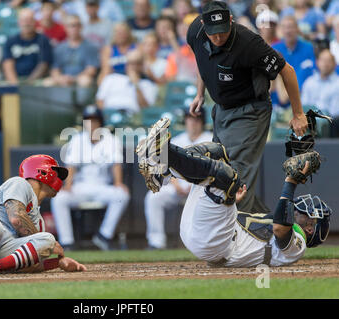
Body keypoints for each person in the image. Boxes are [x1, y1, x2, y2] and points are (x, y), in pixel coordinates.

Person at [137, 117, 331, 267]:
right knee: (217, 152)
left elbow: (281, 228)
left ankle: (162, 154)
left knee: (229, 179)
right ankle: (160, 170)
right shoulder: (287, 230)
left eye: (311, 216)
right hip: (205, 234)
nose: (306, 210)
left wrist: (291, 182)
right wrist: (232, 203)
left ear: (310, 229)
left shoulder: (299, 244)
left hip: (216, 244)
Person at [187, 1, 308, 214]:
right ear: (203, 25)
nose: (217, 38)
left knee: (236, 176)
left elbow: (287, 70)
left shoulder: (249, 43)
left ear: (231, 22)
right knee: (222, 174)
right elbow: (203, 61)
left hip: (251, 111)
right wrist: (199, 93)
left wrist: (298, 114)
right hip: (222, 110)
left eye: (222, 32)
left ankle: (240, 237)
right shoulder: (195, 31)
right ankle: (271, 230)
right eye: (213, 33)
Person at [51, 106, 130, 250]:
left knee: (122, 194)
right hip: (81, 186)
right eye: (88, 121)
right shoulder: (77, 139)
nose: (91, 124)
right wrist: (68, 185)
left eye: (94, 121)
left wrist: (118, 183)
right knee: (59, 198)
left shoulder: (111, 140)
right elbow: (71, 165)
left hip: (102, 186)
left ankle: (103, 236)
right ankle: (67, 242)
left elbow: (116, 164)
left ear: (101, 122)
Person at [144, 108, 213, 249]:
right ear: (185, 120)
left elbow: (214, 169)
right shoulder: (176, 140)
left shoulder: (210, 140)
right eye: (190, 118)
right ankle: (156, 242)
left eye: (196, 119)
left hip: (202, 189)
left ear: (202, 121)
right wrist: (176, 185)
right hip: (178, 187)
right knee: (153, 197)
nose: (192, 122)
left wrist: (195, 184)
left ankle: (206, 246)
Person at [96, 49, 158, 114]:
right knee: (88, 119)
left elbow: (145, 109)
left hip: (132, 118)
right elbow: (99, 101)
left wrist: (136, 85)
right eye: (130, 63)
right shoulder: (112, 78)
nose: (133, 66)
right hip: (109, 113)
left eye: (137, 63)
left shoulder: (148, 84)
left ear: (142, 65)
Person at [44, 15, 99, 88]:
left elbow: (91, 70)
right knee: (47, 82)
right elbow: (55, 69)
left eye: (77, 25)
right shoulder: (60, 47)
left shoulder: (90, 46)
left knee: (85, 81)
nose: (74, 28)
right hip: (63, 78)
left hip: (80, 78)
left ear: (81, 27)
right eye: (71, 25)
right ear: (65, 27)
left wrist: (73, 79)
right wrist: (60, 78)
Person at [2, 8, 53, 85]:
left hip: (37, 80)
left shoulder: (43, 40)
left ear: (35, 22)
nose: (26, 23)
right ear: (18, 22)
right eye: (24, 20)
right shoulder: (11, 41)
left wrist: (29, 83)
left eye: (29, 20)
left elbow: (43, 65)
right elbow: (8, 64)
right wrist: (14, 83)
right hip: (15, 79)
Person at [272, 15, 317, 91]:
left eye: (290, 27)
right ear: (281, 30)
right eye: (284, 27)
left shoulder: (309, 48)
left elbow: (314, 72)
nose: (288, 31)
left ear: (297, 29)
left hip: (303, 93)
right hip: (279, 96)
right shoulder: (274, 49)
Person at [301, 49, 339, 137]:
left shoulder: (338, 83)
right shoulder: (309, 82)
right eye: (323, 60)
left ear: (334, 64)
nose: (325, 64)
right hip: (309, 122)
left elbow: (335, 112)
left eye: (328, 61)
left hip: (330, 125)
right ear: (317, 62)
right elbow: (304, 106)